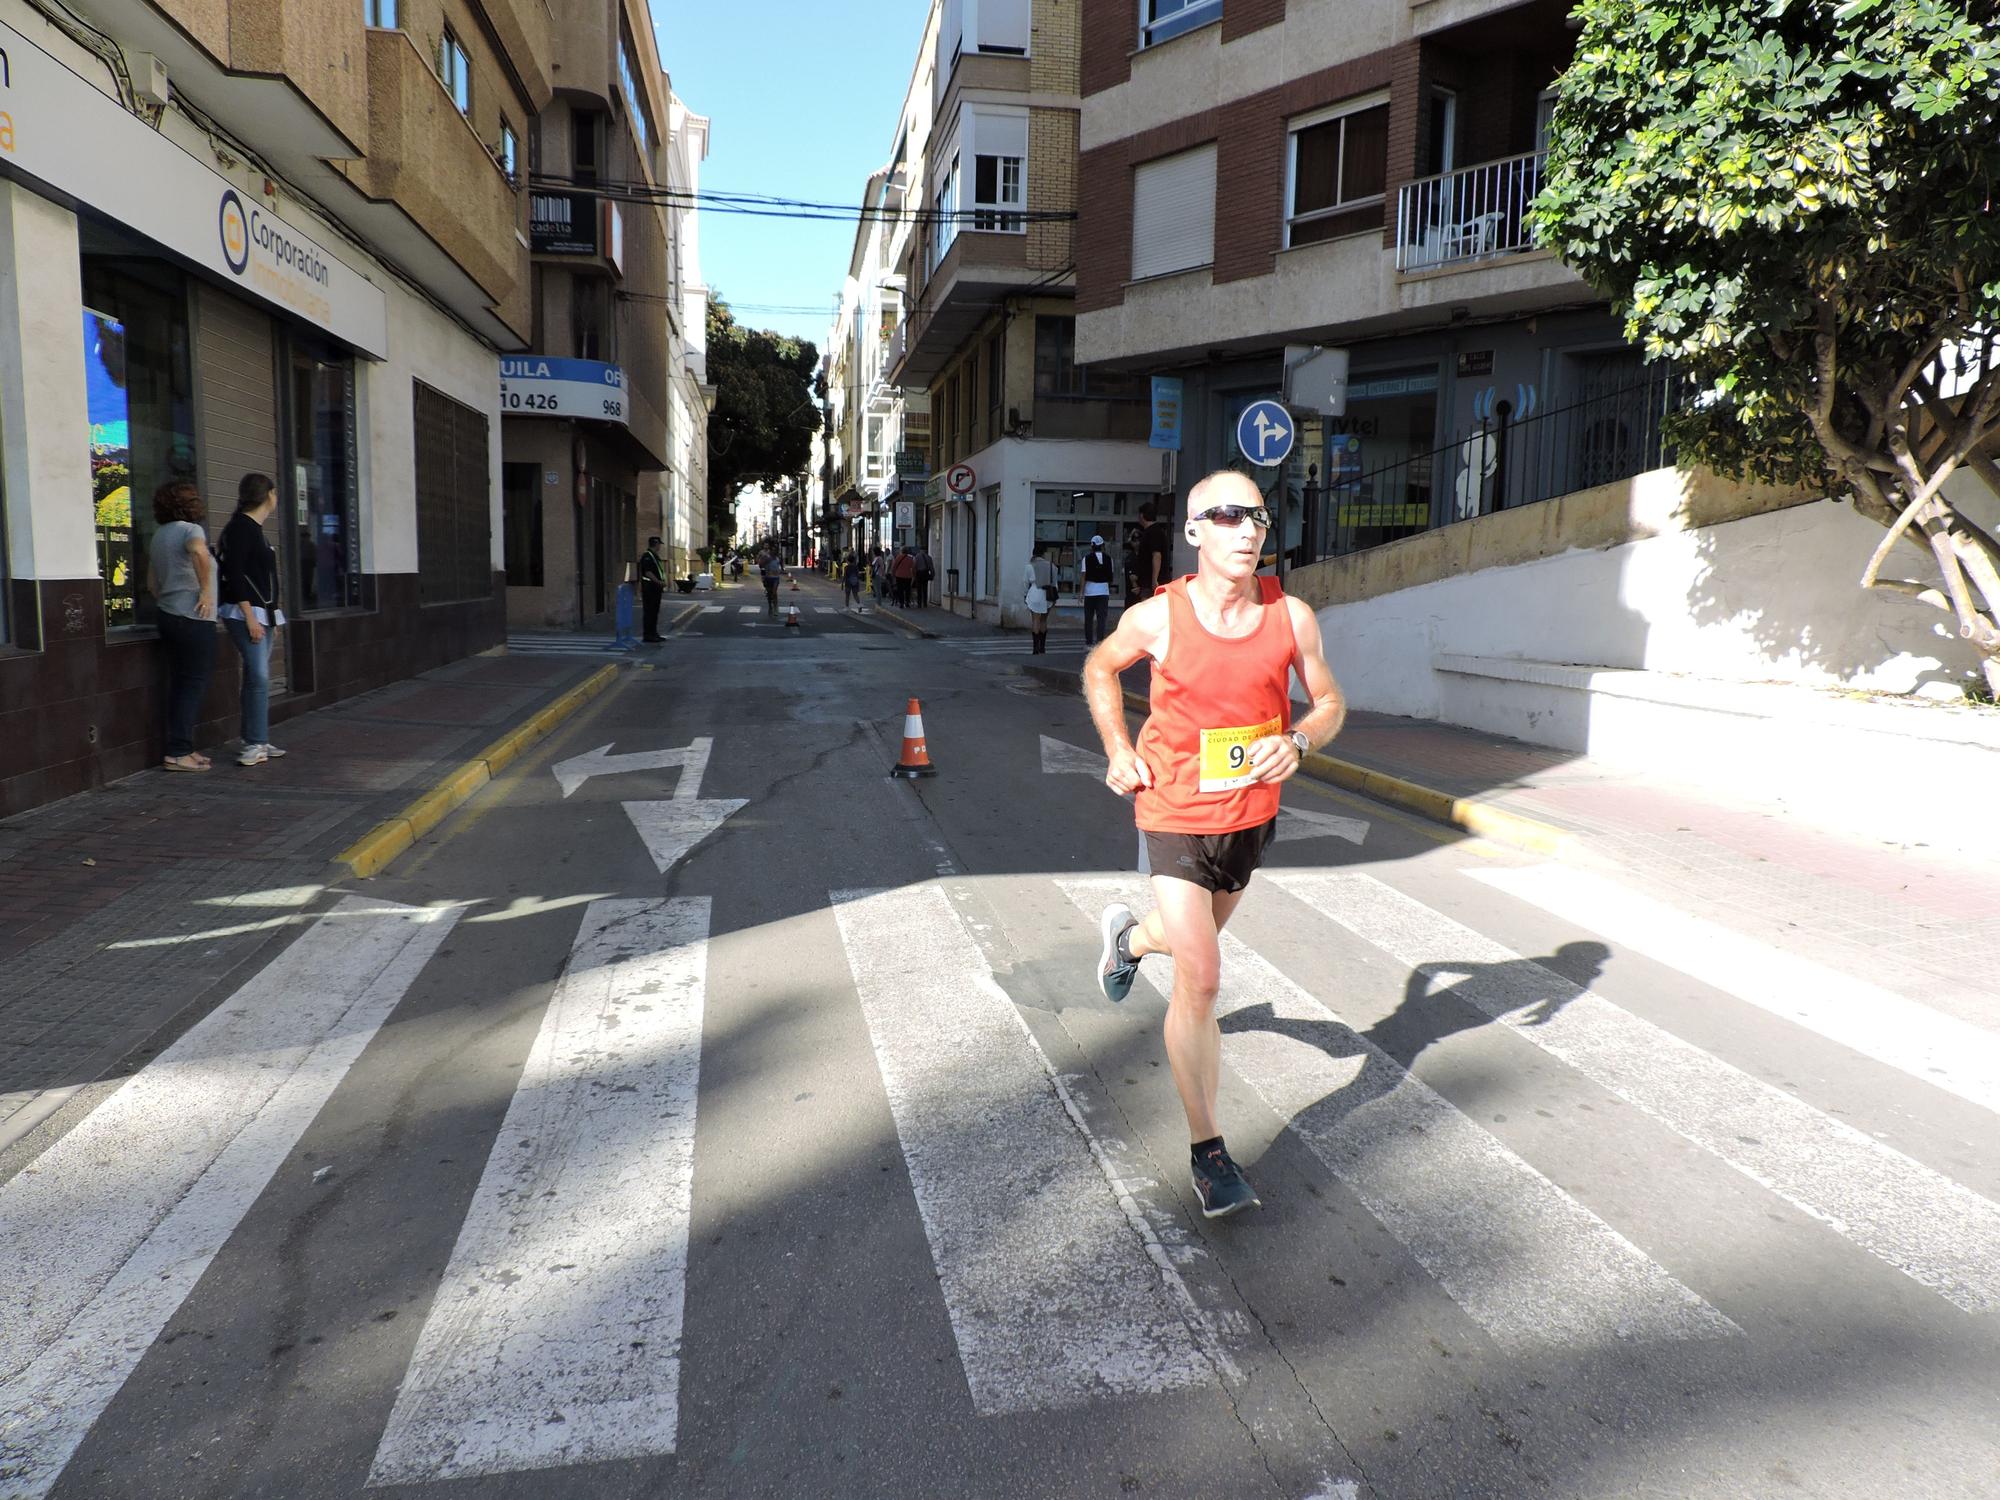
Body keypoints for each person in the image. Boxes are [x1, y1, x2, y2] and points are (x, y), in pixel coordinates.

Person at [1082, 470, 1347, 1219]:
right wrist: (1116, 746)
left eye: (1258, 517)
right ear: (1194, 530)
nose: (1248, 529)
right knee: (1201, 975)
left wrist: (1299, 740)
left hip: (1249, 816)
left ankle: (1129, 941)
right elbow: (1101, 667)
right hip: (1171, 810)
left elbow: (1328, 702)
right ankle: (1209, 1153)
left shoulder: (1290, 616)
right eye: (1228, 516)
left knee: (1183, 945)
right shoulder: (1158, 617)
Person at [216, 474, 290, 767]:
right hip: (247, 614)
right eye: (276, 493)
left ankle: (257, 738)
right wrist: (250, 617)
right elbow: (234, 576)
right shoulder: (241, 529)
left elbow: (261, 578)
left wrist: (272, 617)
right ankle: (254, 743)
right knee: (258, 676)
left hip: (263, 614)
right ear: (269, 495)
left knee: (256, 677)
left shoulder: (255, 530)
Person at [146, 480, 218, 773]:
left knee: (180, 684)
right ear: (191, 505)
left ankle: (183, 747)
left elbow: (152, 583)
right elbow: (199, 553)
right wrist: (204, 592)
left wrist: (170, 598)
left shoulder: (159, 535)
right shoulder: (191, 531)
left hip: (168, 615)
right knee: (192, 685)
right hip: (194, 618)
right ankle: (178, 752)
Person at [1079, 533, 1114, 646]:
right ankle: (1100, 642)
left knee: (1088, 619)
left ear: (1092, 546)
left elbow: (1083, 576)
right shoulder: (1109, 559)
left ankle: (1089, 642)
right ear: (1102, 545)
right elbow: (1110, 577)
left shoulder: (1086, 558)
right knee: (1101, 619)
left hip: (1090, 592)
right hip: (1103, 591)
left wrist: (1081, 593)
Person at [1022, 541, 1058, 654]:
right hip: (1047, 594)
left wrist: (1025, 594)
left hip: (1034, 593)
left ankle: (1035, 648)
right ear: (1043, 554)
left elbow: (1024, 582)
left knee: (1035, 620)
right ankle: (1042, 647)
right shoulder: (1052, 566)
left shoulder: (1029, 566)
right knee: (1043, 620)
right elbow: (1055, 583)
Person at [1134, 499, 1172, 602]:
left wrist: (1154, 579)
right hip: (1147, 581)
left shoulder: (1153, 532)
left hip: (1152, 581)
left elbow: (1157, 555)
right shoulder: (1154, 531)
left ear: (1142, 515)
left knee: (1147, 608)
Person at [638, 534, 666, 642]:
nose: (660, 547)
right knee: (649, 612)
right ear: (656, 544)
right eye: (659, 544)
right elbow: (648, 572)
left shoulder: (654, 556)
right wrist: (658, 581)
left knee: (654, 612)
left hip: (655, 589)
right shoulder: (647, 556)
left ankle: (654, 633)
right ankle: (648, 635)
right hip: (650, 588)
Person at [759, 545, 783, 617]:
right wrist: (765, 561)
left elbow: (781, 565)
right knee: (769, 594)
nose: (774, 552)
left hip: (776, 578)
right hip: (768, 577)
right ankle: (770, 607)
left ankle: (775, 608)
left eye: (775, 550)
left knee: (774, 592)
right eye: (772, 550)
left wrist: (782, 570)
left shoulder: (778, 558)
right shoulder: (766, 557)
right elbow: (760, 565)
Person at [914, 544, 933, 609]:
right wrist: (932, 574)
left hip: (919, 573)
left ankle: (919, 603)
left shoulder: (916, 557)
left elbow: (914, 566)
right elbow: (931, 567)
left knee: (919, 589)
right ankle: (925, 603)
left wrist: (914, 574)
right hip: (925, 573)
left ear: (920, 550)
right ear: (925, 550)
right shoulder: (929, 557)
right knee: (925, 588)